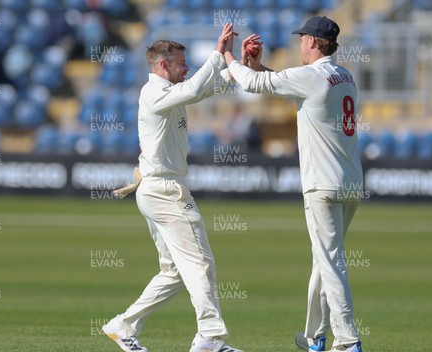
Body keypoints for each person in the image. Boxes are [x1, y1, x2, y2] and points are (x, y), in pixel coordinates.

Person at [223, 17, 364, 352]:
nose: (300, 43)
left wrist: (230, 58)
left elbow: (256, 86)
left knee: (330, 262)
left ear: (314, 42)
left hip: (323, 184)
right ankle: (315, 336)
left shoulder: (312, 77)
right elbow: (283, 83)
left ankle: (347, 342)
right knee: (324, 258)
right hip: (350, 181)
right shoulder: (345, 76)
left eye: (302, 38)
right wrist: (258, 66)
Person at [103, 24, 242, 352]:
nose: (187, 67)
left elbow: (206, 89)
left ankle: (123, 326)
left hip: (159, 190)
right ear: (163, 65)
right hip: (165, 190)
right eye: (181, 63)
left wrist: (239, 67)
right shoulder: (154, 93)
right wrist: (218, 52)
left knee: (175, 272)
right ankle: (209, 336)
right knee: (200, 262)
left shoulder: (170, 92)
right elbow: (195, 89)